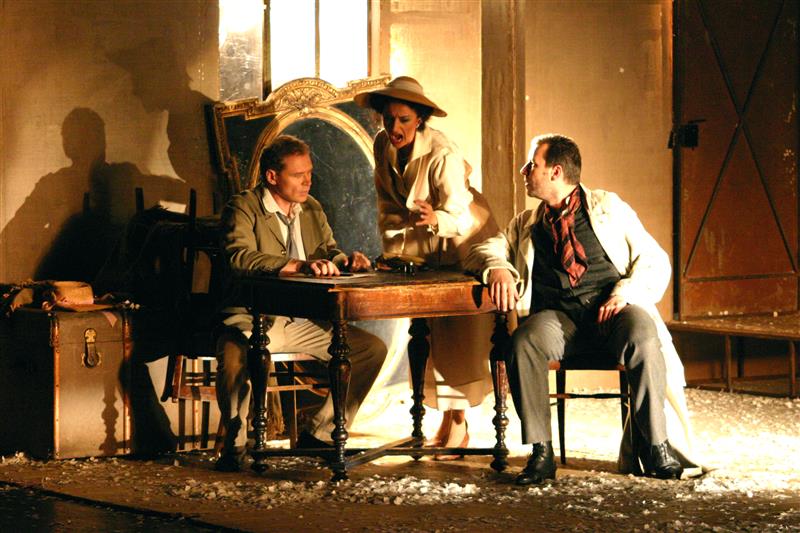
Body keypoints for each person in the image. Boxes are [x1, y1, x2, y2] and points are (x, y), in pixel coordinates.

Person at [466, 134, 702, 484]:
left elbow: (654, 259)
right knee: (523, 342)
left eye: (532, 165)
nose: (524, 171)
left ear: (556, 172)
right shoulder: (527, 223)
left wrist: (624, 293)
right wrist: (498, 268)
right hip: (559, 321)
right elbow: (483, 250)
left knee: (643, 332)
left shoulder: (608, 207)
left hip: (612, 313)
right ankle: (541, 452)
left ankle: (656, 447)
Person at [215, 135, 387, 471]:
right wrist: (296, 265)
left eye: (309, 173)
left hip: (304, 318)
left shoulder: (311, 208)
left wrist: (344, 261)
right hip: (257, 317)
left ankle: (319, 433)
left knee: (370, 350)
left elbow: (327, 250)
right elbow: (239, 256)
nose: (308, 181)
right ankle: (234, 448)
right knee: (235, 355)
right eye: (298, 175)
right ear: (272, 176)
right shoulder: (244, 207)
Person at [354, 77, 499, 455]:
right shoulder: (382, 144)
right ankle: (445, 419)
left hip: (462, 238)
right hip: (420, 245)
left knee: (458, 338)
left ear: (419, 119)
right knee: (429, 333)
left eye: (404, 120)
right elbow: (387, 203)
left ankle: (458, 422)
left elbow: (460, 214)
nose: (395, 127)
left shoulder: (442, 154)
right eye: (389, 119)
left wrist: (435, 218)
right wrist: (395, 253)